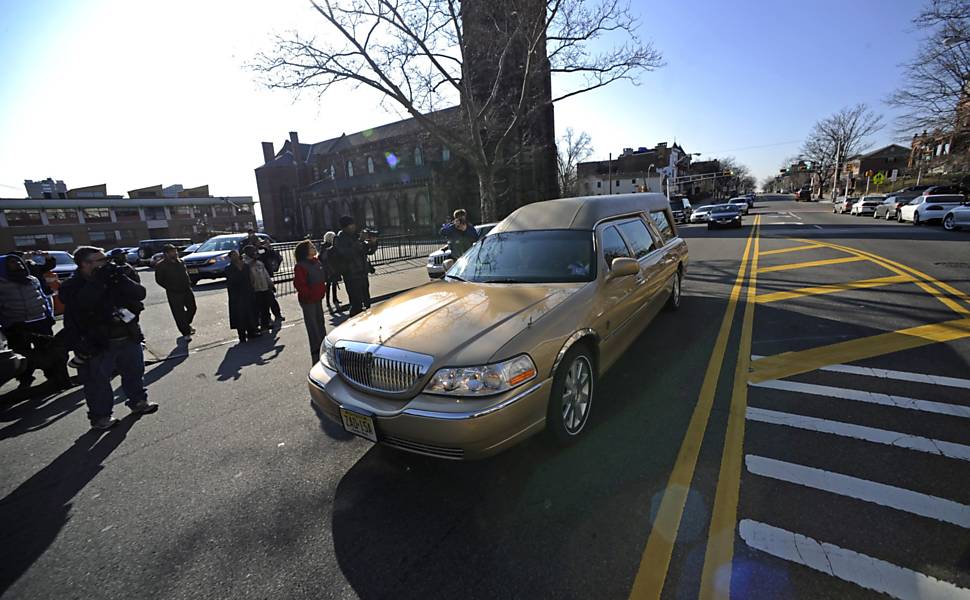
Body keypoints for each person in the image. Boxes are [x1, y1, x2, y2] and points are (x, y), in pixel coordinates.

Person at [59, 246, 157, 429]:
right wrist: (98, 281)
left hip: (127, 335)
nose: (106, 264)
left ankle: (138, 402)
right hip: (97, 342)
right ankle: (100, 417)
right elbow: (84, 302)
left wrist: (119, 277)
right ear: (85, 264)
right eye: (101, 261)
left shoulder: (113, 277)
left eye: (106, 260)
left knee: (134, 372)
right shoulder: (71, 285)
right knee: (97, 382)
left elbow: (139, 293)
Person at [0, 253, 70, 390]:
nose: (18, 264)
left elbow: (44, 298)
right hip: (17, 324)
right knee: (23, 353)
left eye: (19, 261)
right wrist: (6, 324)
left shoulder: (32, 279)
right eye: (13, 263)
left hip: (40, 321)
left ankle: (54, 377)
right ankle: (25, 379)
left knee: (49, 351)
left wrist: (49, 317)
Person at [334, 215, 377, 317]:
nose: (353, 227)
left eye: (353, 225)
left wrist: (373, 243)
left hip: (362, 273)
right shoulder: (340, 239)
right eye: (350, 225)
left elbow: (368, 251)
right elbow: (346, 254)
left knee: (366, 301)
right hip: (351, 275)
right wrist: (360, 241)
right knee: (356, 303)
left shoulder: (355, 237)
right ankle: (355, 324)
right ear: (344, 227)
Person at [293, 240, 328, 363]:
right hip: (308, 300)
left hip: (317, 298)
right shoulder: (301, 266)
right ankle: (316, 350)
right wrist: (308, 295)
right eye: (311, 247)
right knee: (312, 325)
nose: (314, 248)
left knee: (320, 322)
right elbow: (300, 285)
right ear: (305, 251)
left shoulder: (317, 262)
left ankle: (324, 345)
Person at [154, 244, 196, 338]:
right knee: (178, 313)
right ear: (166, 254)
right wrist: (170, 287)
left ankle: (185, 324)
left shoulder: (181, 262)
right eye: (172, 252)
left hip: (186, 289)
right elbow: (159, 280)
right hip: (174, 293)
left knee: (192, 308)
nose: (175, 253)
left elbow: (185, 273)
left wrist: (188, 282)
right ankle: (186, 332)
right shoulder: (161, 265)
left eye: (175, 251)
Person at [224, 250, 259, 343]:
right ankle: (242, 335)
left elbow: (251, 277)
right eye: (233, 255)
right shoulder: (228, 268)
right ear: (230, 257)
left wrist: (252, 285)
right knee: (239, 315)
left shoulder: (245, 266)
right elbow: (231, 281)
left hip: (247, 292)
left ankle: (251, 331)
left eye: (236, 255)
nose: (235, 257)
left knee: (250, 312)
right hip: (236, 295)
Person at [243, 245, 275, 331]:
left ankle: (266, 322)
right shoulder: (245, 264)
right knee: (256, 308)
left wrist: (270, 284)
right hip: (255, 289)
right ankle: (257, 324)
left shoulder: (259, 263)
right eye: (253, 251)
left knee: (266, 306)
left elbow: (265, 274)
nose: (255, 253)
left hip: (264, 287)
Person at [255, 239, 284, 323]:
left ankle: (277, 315)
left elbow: (271, 254)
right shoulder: (250, 252)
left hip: (265, 276)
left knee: (271, 298)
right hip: (257, 281)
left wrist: (268, 247)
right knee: (262, 302)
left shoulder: (263, 250)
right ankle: (266, 318)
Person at [320, 231, 343, 315]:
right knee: (329, 285)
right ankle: (329, 301)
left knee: (333, 284)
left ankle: (334, 300)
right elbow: (323, 258)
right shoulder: (325, 246)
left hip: (332, 268)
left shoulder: (327, 246)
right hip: (329, 269)